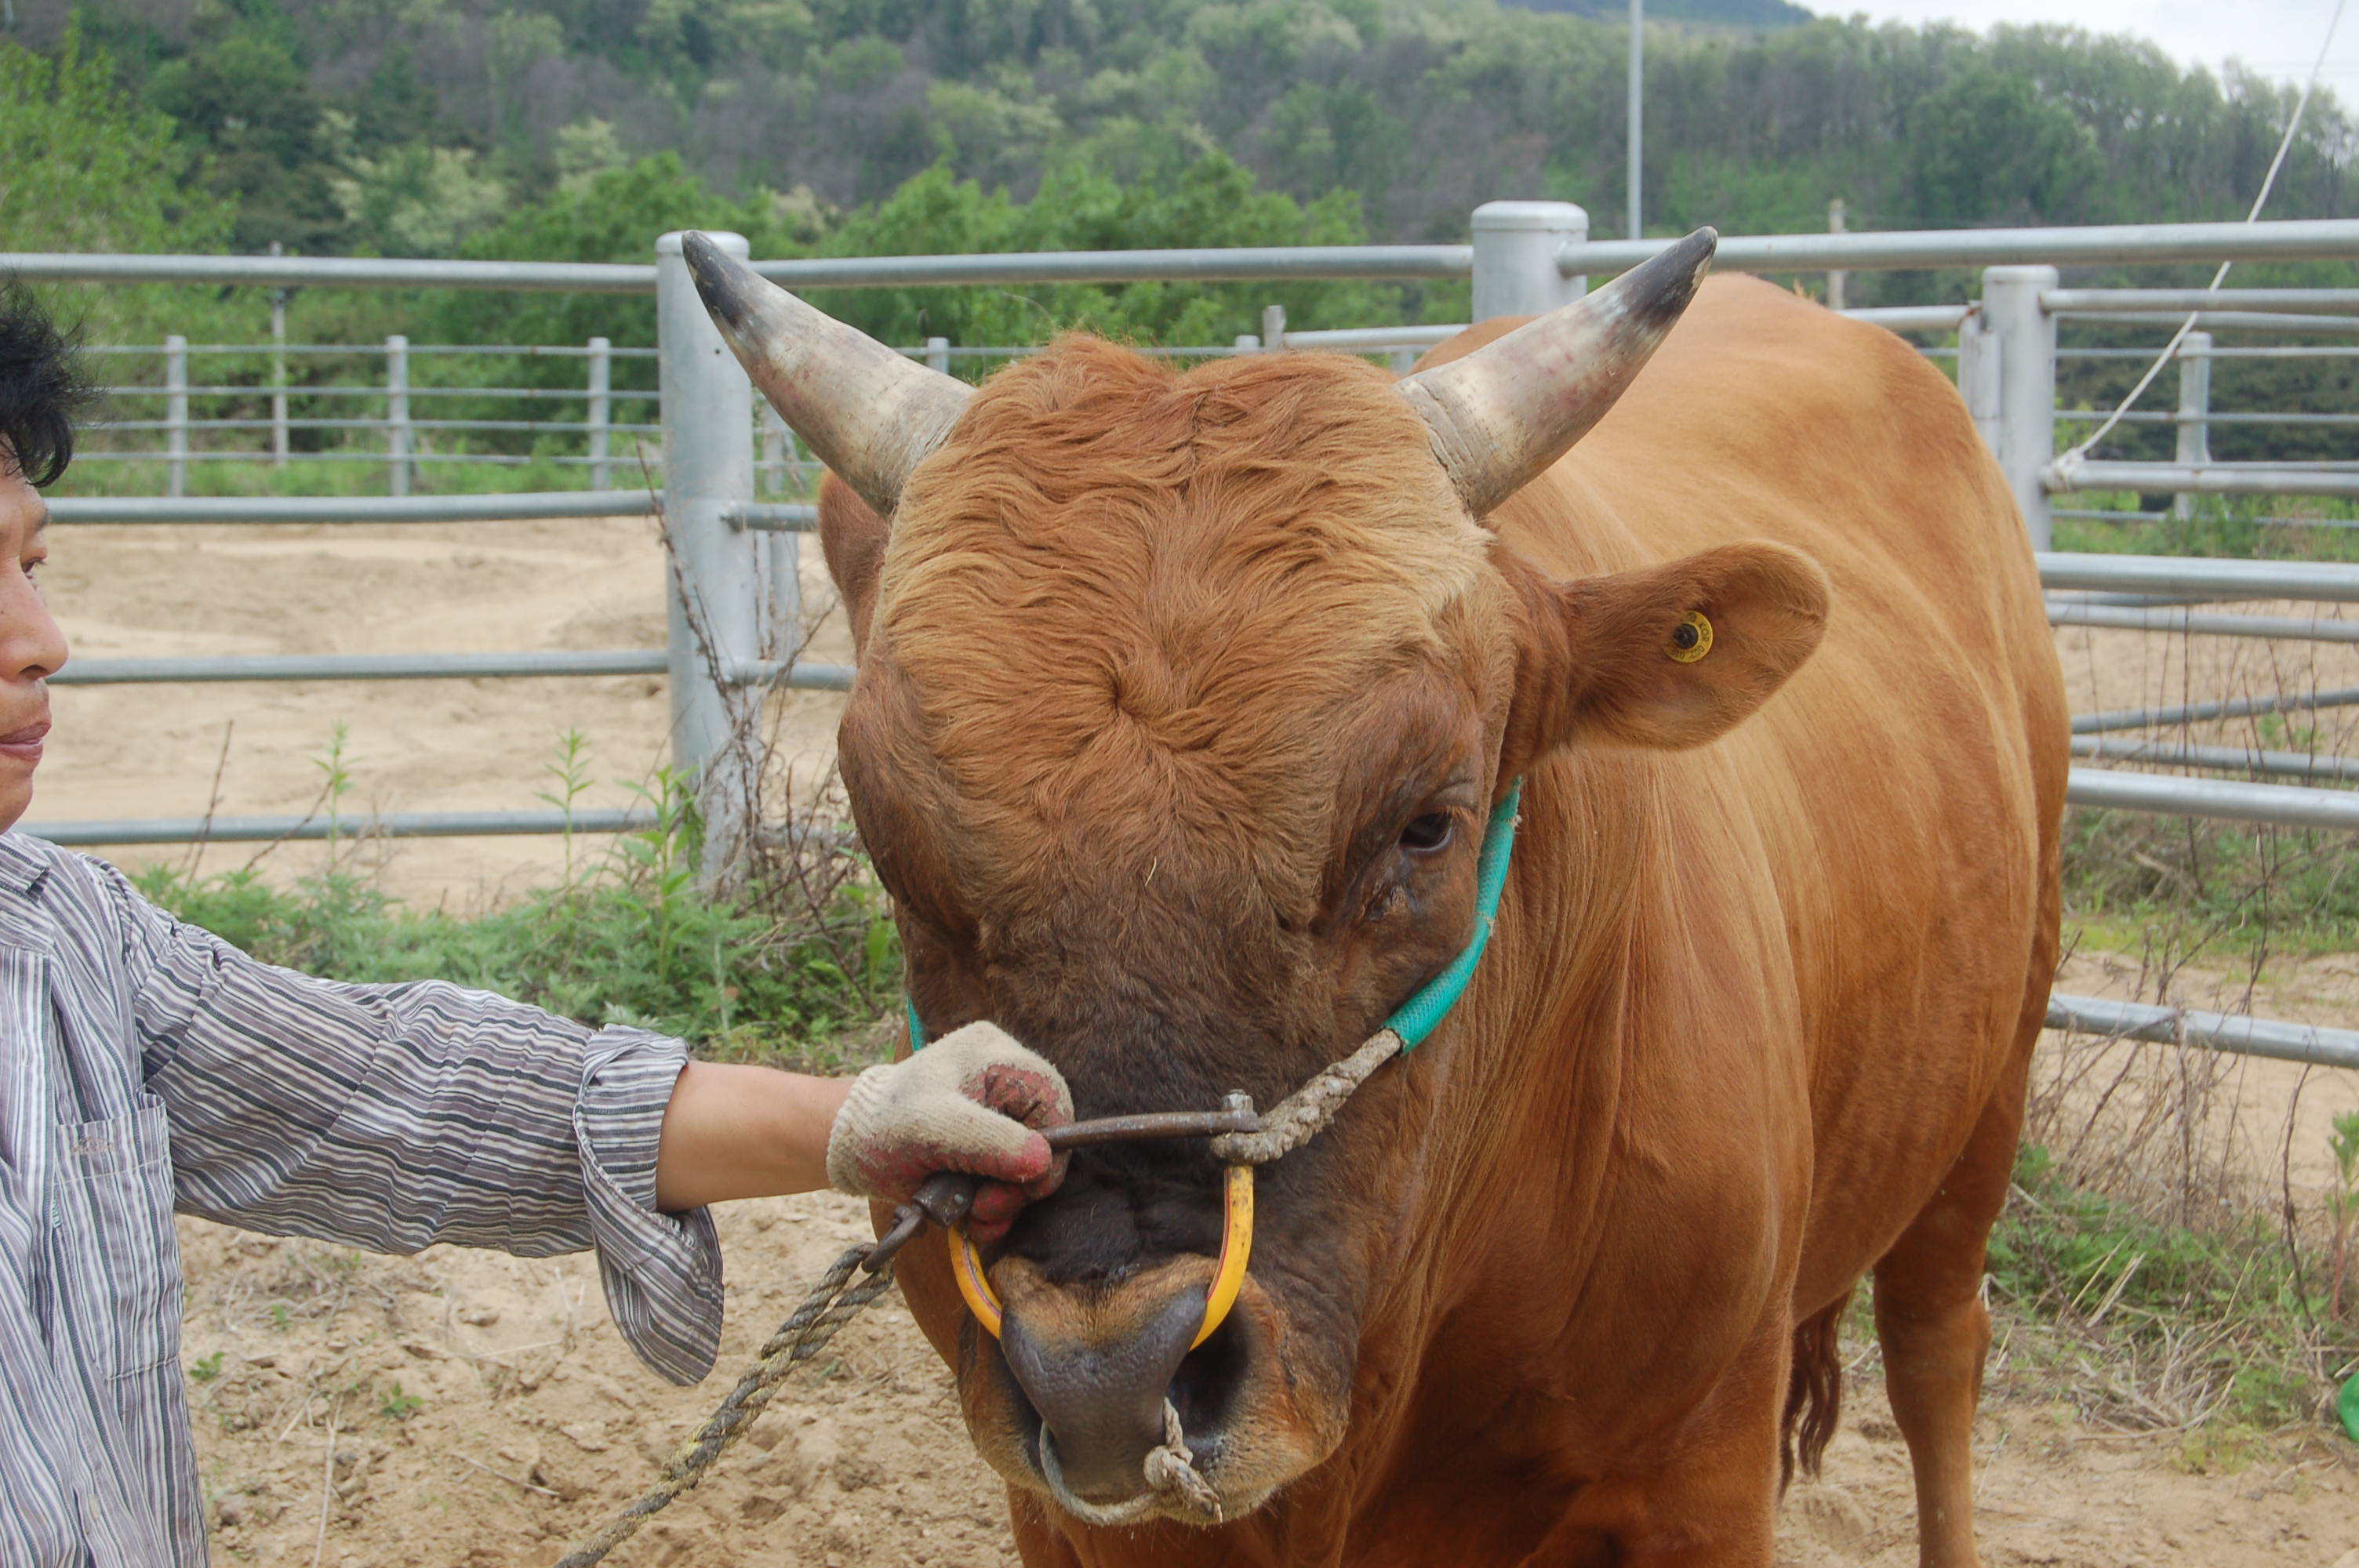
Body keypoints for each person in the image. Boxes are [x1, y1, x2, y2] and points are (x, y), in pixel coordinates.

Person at [0, 285, 1073, 1566]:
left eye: (30, 563)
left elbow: (402, 1087)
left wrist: (861, 1121)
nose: (45, 642)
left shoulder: (63, 940)